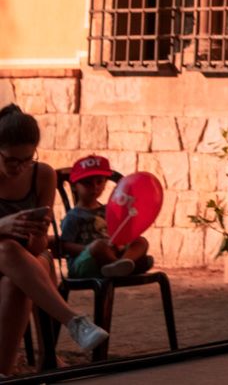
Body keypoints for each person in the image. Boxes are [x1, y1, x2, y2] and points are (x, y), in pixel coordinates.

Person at [0, 107, 110, 364]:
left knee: (15, 279)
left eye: (27, 159)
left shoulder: (42, 175)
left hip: (27, 261)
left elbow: (39, 246)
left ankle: (4, 372)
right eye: (11, 160)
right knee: (6, 249)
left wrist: (37, 231)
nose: (19, 167)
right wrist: (3, 225)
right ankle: (73, 321)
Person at [57, 155, 153, 280]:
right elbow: (65, 245)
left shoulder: (109, 210)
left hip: (112, 255)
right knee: (99, 246)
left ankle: (122, 264)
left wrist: (120, 244)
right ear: (75, 186)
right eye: (87, 183)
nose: (95, 187)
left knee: (141, 241)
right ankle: (122, 266)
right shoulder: (73, 216)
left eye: (99, 182)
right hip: (86, 263)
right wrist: (90, 249)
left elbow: (120, 232)